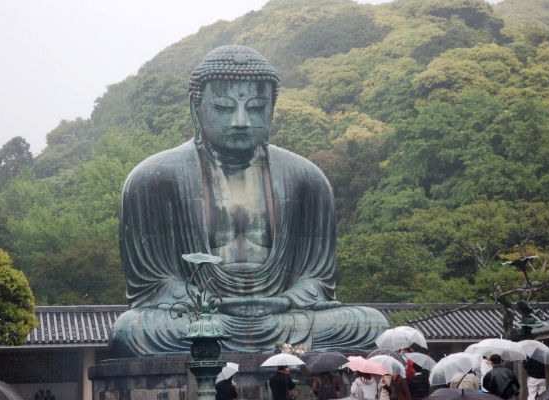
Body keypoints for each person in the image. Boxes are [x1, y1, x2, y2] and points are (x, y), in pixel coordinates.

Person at [107, 45, 388, 357]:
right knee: (132, 329)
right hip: (200, 317)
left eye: (255, 108)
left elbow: (317, 280)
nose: (240, 121)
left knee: (371, 325)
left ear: (271, 110)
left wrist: (287, 300)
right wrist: (199, 299)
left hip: (283, 317)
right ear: (196, 107)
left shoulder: (307, 179)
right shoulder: (153, 178)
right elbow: (153, 284)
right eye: (225, 108)